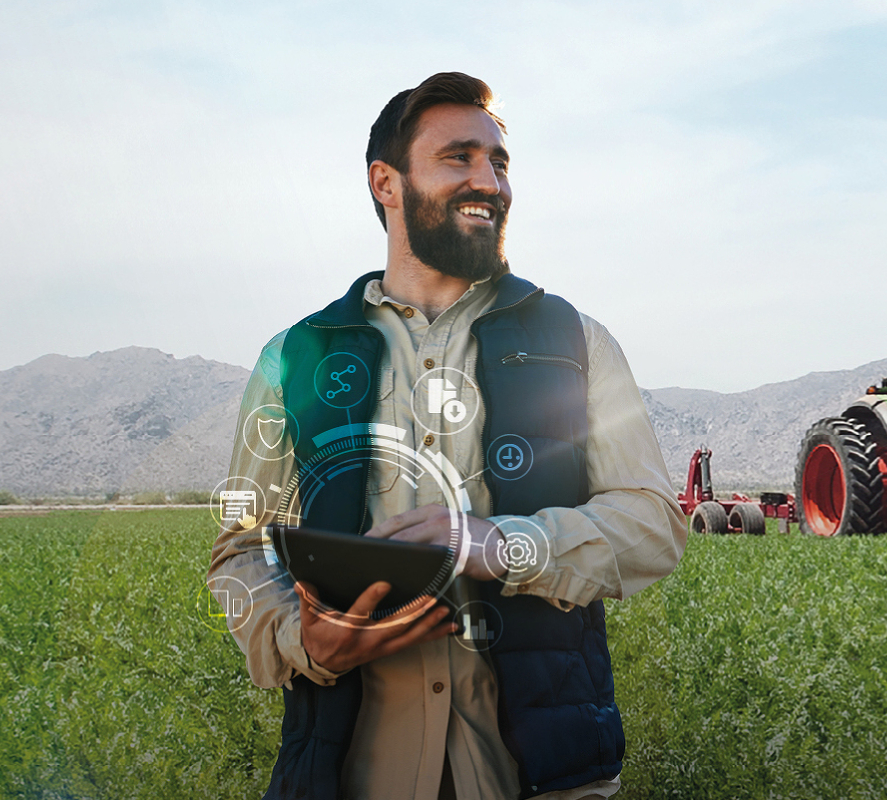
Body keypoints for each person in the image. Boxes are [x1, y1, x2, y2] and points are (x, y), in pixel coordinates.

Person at [207, 72, 688, 800]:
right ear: (386, 183)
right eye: (458, 157)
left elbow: (654, 524)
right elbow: (240, 547)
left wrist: (500, 544)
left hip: (545, 774)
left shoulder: (577, 342)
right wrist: (302, 641)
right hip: (351, 774)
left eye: (498, 162)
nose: (489, 182)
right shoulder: (292, 359)